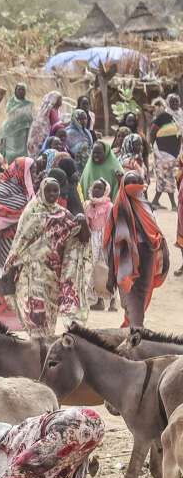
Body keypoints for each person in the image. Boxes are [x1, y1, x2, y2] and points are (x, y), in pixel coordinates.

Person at [5, 176, 91, 336]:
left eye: (55, 190)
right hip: (31, 273)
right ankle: (37, 348)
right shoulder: (31, 212)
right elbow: (19, 243)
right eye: (48, 190)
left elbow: (82, 239)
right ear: (41, 191)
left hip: (53, 275)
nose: (52, 194)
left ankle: (42, 351)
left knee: (49, 318)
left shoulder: (63, 214)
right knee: (36, 316)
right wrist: (9, 269)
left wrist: (82, 221)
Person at [0, 156, 43, 330]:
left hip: (22, 249)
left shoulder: (27, 191)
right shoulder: (2, 190)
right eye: (31, 171)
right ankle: (1, 324)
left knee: (20, 286)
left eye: (35, 171)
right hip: (3, 247)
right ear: (20, 172)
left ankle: (19, 323)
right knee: (1, 283)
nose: (34, 175)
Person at [107, 171, 169, 327]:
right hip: (125, 260)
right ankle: (134, 330)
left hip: (147, 254)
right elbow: (113, 242)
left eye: (137, 181)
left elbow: (153, 230)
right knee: (131, 297)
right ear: (123, 186)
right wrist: (110, 273)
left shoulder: (146, 205)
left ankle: (132, 329)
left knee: (142, 295)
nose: (133, 185)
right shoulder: (119, 208)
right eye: (129, 182)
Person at [86, 179, 116, 311]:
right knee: (96, 270)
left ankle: (112, 300)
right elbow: (87, 225)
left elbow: (111, 225)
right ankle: (98, 300)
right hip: (94, 241)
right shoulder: (88, 205)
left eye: (100, 189)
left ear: (106, 191)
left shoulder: (109, 206)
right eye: (95, 188)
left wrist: (108, 242)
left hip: (106, 240)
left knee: (108, 270)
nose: (96, 191)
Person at [150, 95, 181, 211]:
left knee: (166, 177)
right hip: (162, 152)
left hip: (175, 153)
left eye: (176, 102)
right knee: (167, 177)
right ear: (168, 103)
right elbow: (153, 131)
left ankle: (155, 202)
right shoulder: (163, 116)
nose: (175, 104)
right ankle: (173, 205)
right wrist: (153, 146)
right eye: (172, 102)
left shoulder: (180, 116)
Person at [0, 84, 34, 163]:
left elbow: (30, 117)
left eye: (23, 90)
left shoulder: (28, 104)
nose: (21, 91)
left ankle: (21, 167)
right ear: (15, 91)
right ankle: (10, 168)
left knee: (22, 152)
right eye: (19, 89)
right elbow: (9, 115)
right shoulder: (10, 103)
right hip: (11, 131)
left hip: (23, 131)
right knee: (11, 152)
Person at [28, 91, 64, 157]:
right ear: (55, 100)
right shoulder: (52, 110)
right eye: (60, 99)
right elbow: (57, 125)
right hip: (44, 137)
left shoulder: (55, 110)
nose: (61, 101)